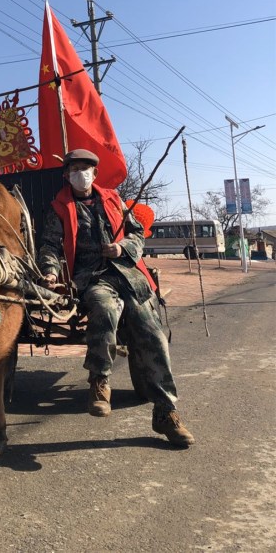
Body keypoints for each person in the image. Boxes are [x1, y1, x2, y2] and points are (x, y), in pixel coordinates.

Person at [38, 148, 195, 447]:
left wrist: (122, 247)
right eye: (74, 169)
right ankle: (99, 380)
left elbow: (138, 234)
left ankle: (166, 412)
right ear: (66, 174)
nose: (80, 174)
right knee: (104, 309)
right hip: (91, 278)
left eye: (86, 168)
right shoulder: (59, 207)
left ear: (95, 174)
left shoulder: (114, 199)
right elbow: (49, 245)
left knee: (152, 333)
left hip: (129, 276)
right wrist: (49, 271)